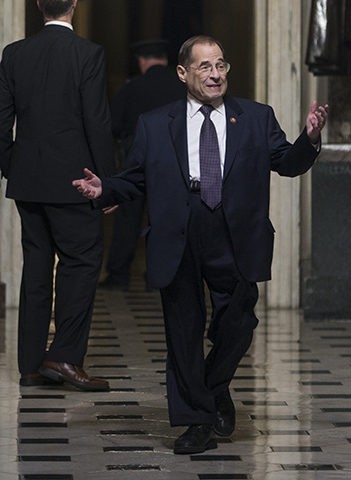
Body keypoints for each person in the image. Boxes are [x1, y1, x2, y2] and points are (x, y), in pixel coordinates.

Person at [71, 35, 328, 454]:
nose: (216, 74)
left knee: (239, 322)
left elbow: (287, 163)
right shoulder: (155, 123)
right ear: (183, 73)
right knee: (183, 330)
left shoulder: (256, 117)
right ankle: (197, 421)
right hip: (179, 228)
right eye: (206, 67)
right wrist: (106, 189)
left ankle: (212, 387)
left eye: (221, 65)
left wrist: (310, 139)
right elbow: (135, 178)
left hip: (234, 231)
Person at [0, 0, 113, 391]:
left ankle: (30, 366)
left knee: (36, 266)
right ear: (75, 5)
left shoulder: (14, 53)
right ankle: (63, 356)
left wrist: (11, 167)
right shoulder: (88, 53)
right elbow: (96, 119)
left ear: (37, 5)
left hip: (28, 179)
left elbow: (2, 118)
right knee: (80, 264)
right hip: (75, 179)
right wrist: (107, 182)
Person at [99, 39, 186, 291]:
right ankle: (161, 276)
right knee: (167, 220)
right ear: (167, 61)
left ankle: (118, 275)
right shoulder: (181, 88)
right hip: (174, 165)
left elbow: (113, 125)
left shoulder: (132, 88)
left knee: (127, 220)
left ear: (141, 61)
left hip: (136, 162)